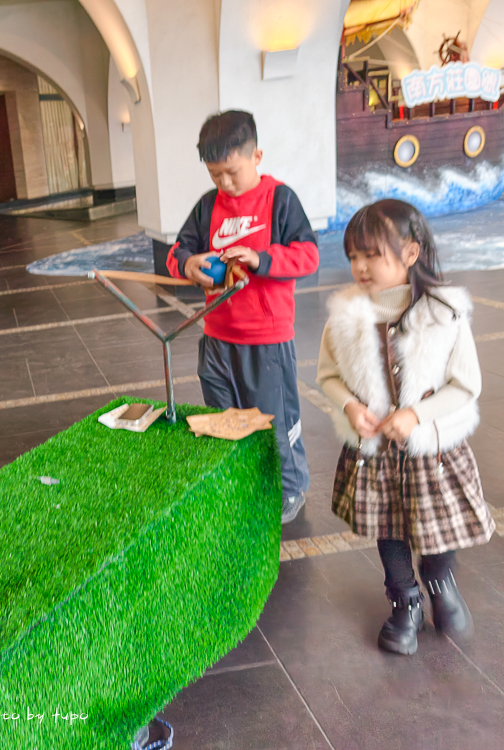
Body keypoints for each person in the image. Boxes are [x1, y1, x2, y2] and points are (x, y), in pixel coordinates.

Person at [316, 199, 494, 656]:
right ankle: (404, 601)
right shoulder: (345, 316)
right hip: (374, 451)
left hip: (431, 449)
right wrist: (352, 407)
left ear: (411, 253)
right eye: (354, 256)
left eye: (372, 254)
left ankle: (440, 580)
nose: (360, 266)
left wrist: (416, 415)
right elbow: (328, 376)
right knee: (390, 527)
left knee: (437, 528)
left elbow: (465, 386)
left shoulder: (444, 312)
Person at [166, 110, 318, 523]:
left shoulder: (279, 199)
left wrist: (260, 257)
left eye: (232, 172)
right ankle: (245, 484)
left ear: (257, 156)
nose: (225, 184)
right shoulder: (207, 206)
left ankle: (289, 490)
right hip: (216, 336)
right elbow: (176, 252)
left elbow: (309, 255)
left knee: (274, 421)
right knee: (227, 422)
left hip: (266, 338)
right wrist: (188, 264)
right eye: (216, 175)